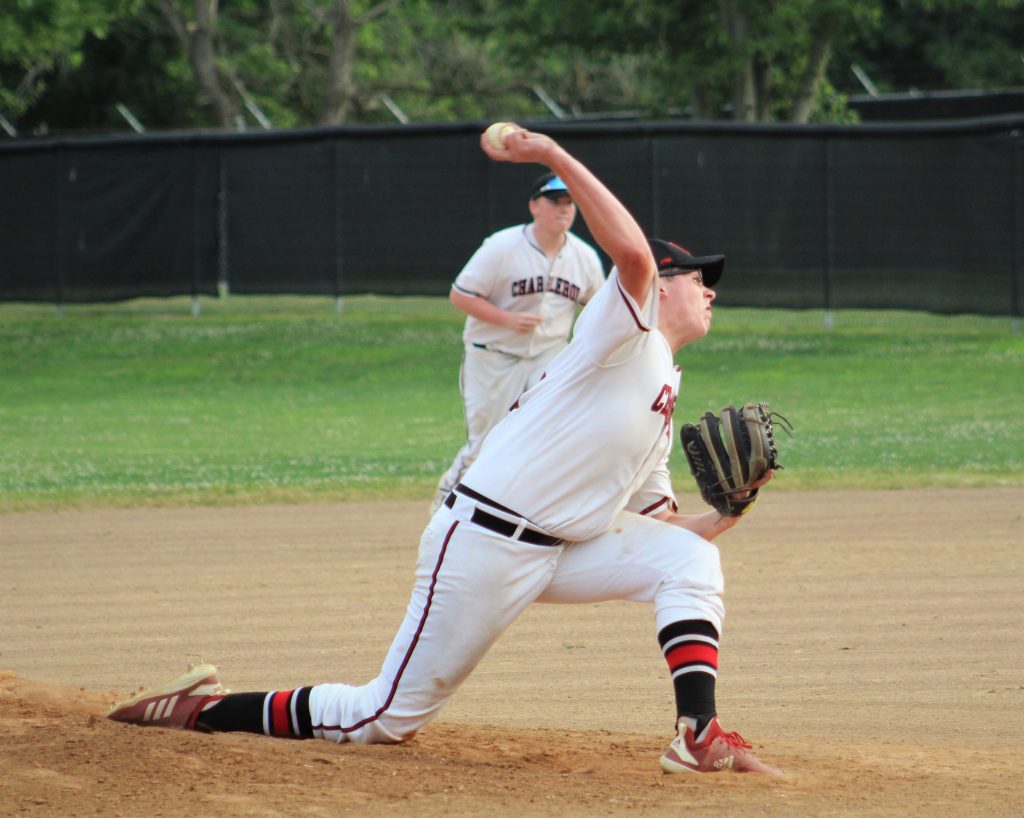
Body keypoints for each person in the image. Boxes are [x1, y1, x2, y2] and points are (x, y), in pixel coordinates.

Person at [107, 126, 782, 776]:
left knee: (691, 559)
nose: (710, 288)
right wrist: (549, 151)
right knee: (379, 718)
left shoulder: (661, 389)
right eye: (698, 277)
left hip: (556, 551)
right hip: (483, 543)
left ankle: (698, 735)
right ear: (660, 287)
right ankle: (199, 709)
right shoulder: (624, 331)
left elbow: (660, 526)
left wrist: (731, 509)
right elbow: (632, 257)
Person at [429, 172, 605, 513]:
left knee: (545, 439)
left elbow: (596, 308)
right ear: (534, 206)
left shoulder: (583, 257)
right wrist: (507, 319)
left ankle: (523, 513)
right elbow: (460, 295)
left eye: (570, 202)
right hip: (493, 356)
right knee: (486, 444)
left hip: (549, 357)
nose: (564, 209)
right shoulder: (502, 247)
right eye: (556, 201)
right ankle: (445, 507)